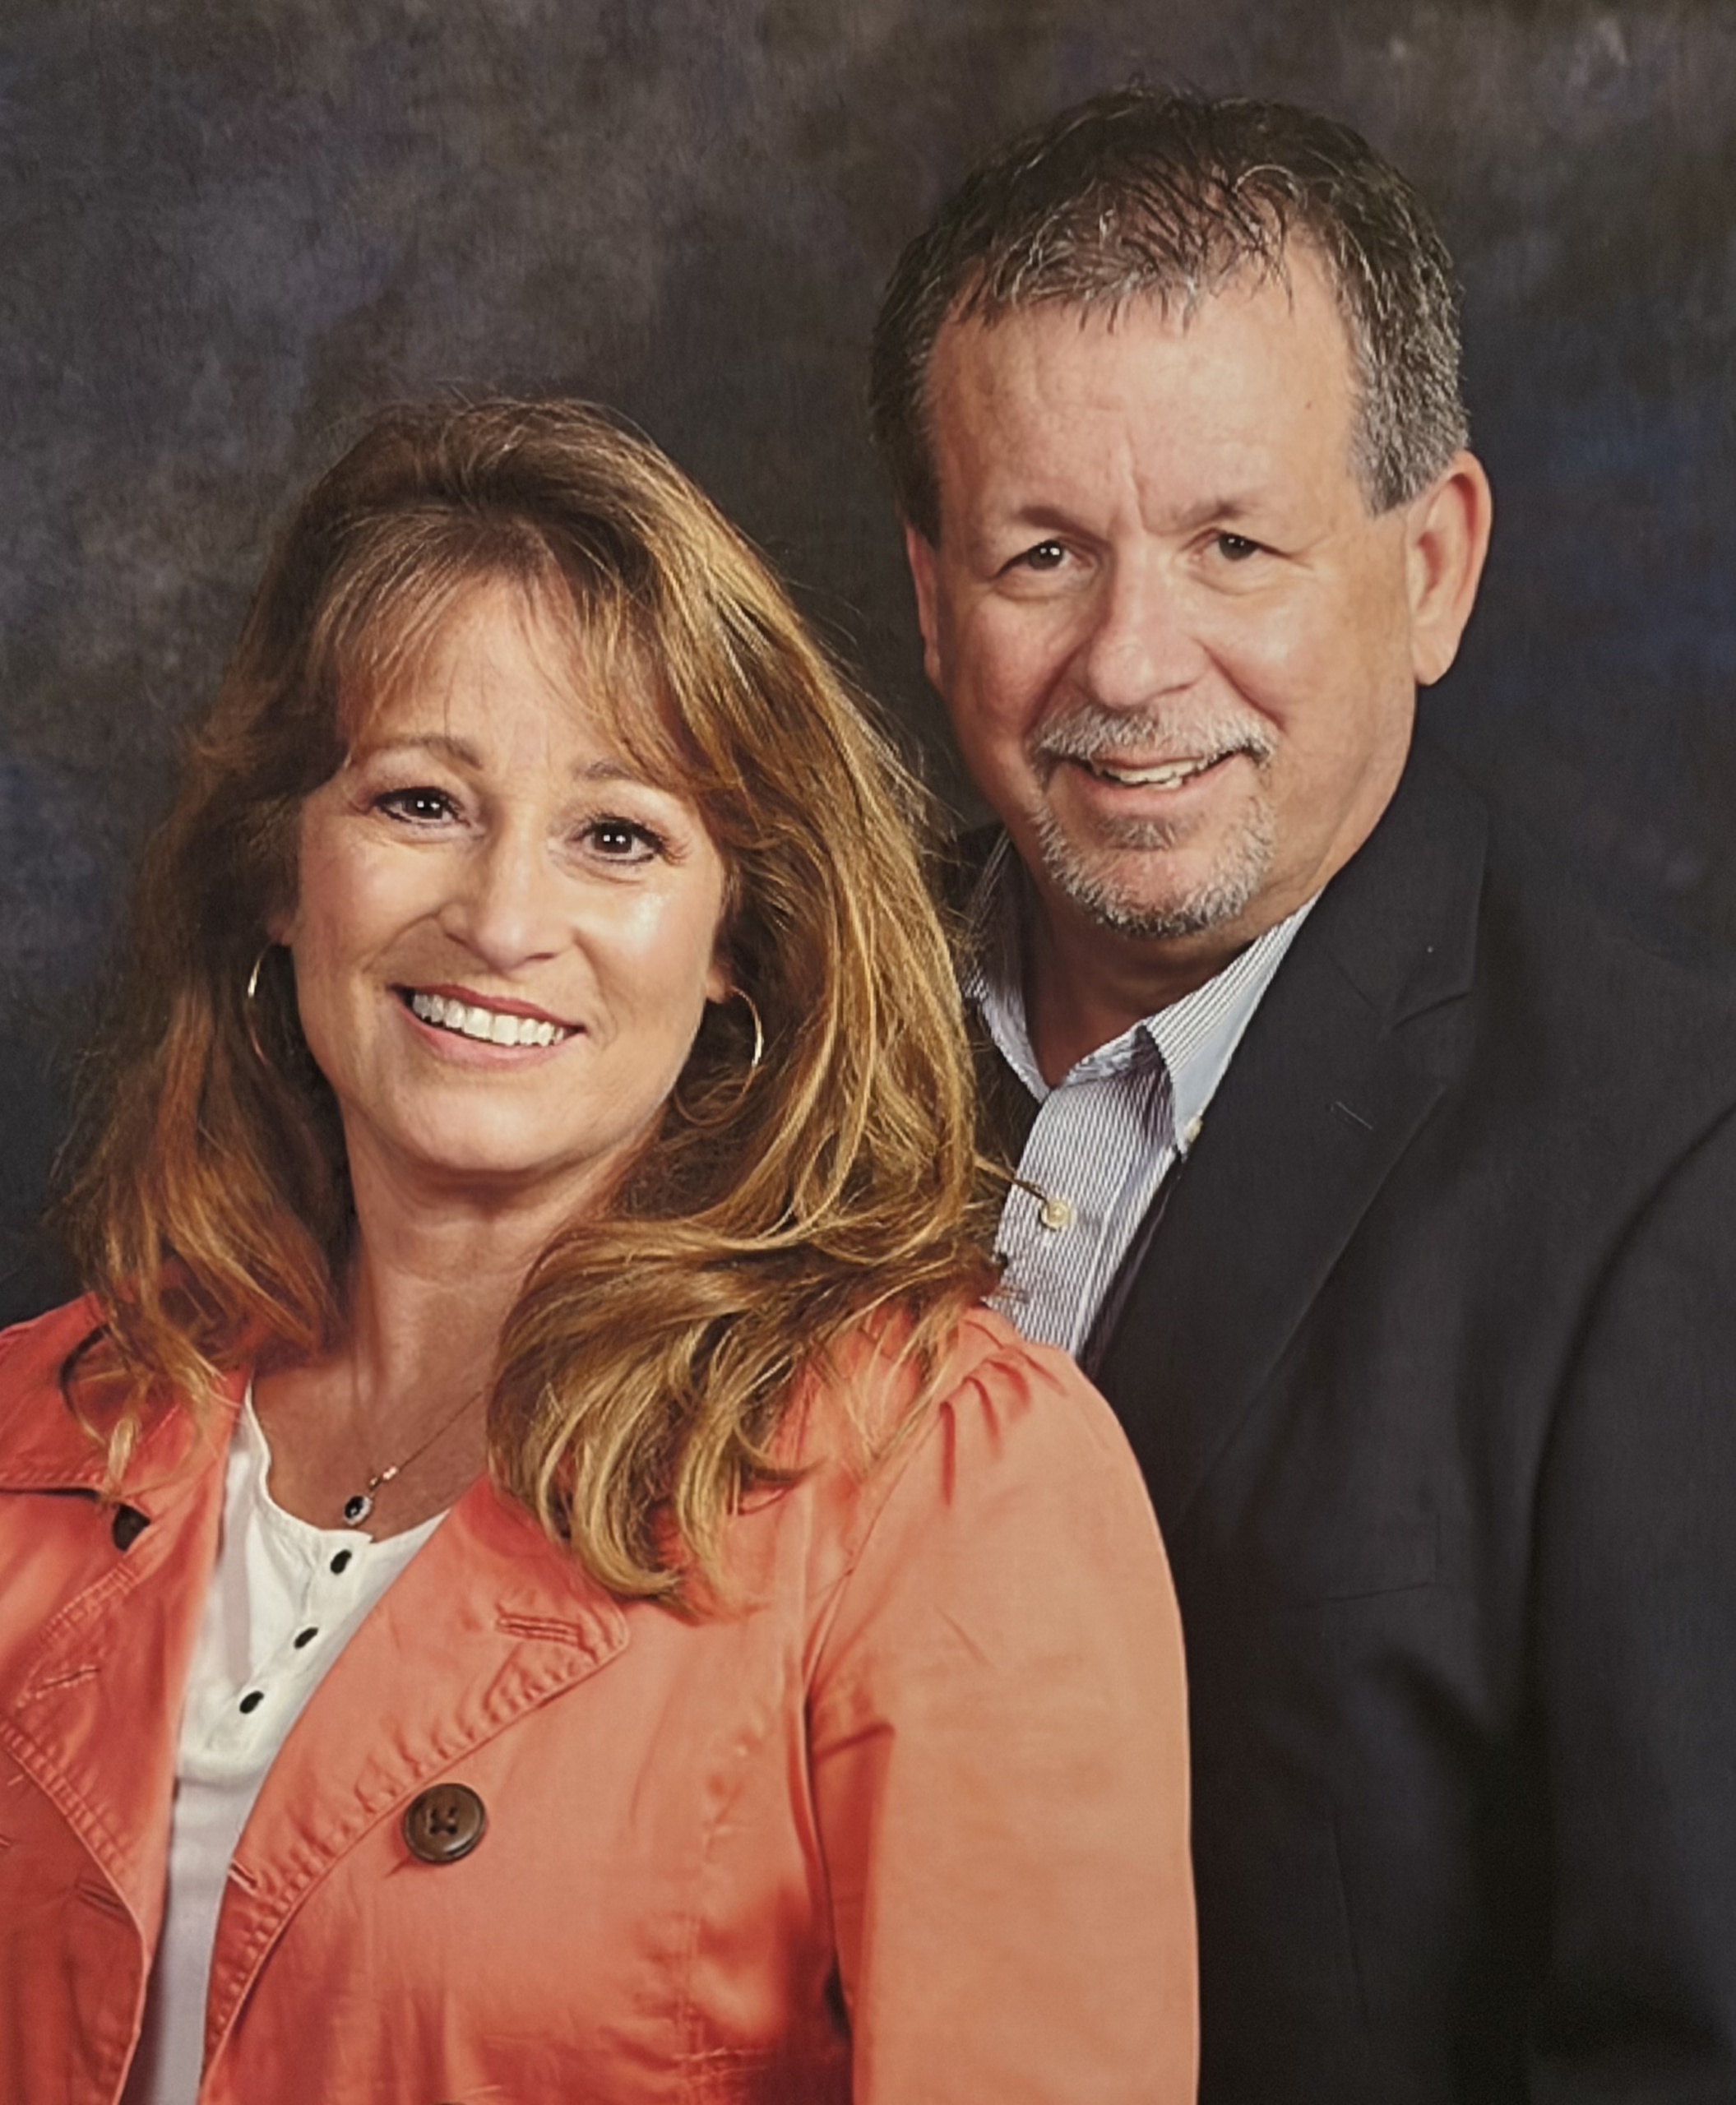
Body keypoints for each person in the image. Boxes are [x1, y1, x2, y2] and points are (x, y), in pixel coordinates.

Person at [0, 399, 1197, 2104]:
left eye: (616, 834)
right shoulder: (40, 1428)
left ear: (735, 940)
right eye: (419, 799)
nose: (499, 917)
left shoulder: (942, 1478)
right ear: (283, 873)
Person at [870, 86, 1736, 2103]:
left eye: (1230, 543)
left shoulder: (1669, 1179)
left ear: (1427, 566)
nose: (1130, 660)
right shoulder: (737, 1034)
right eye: (1039, 553)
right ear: (927, 595)